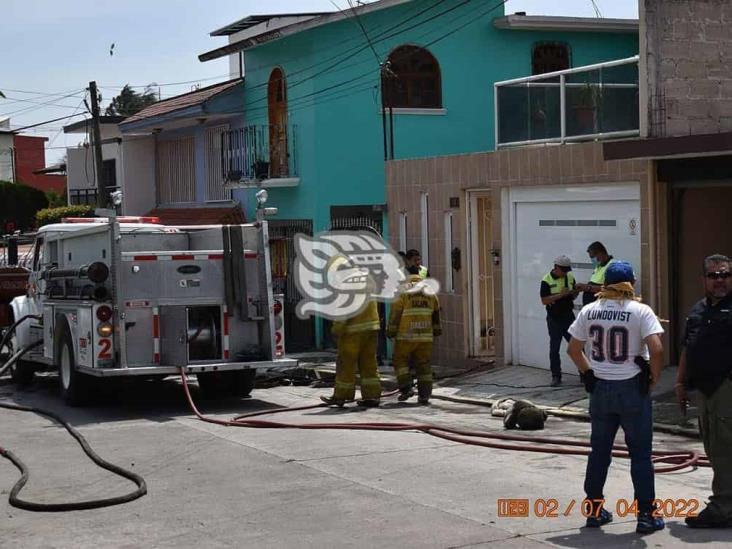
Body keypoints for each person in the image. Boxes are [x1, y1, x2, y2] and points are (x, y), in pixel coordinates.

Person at [566, 261, 665, 534]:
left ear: (606, 283)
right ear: (630, 283)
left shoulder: (589, 310)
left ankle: (594, 510)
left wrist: (588, 374)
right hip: (631, 388)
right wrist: (652, 379)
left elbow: (573, 349)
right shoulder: (640, 311)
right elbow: (656, 350)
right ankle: (646, 515)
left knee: (599, 452)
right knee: (641, 454)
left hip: (601, 389)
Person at [675, 253, 732, 528]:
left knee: (724, 449)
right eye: (714, 275)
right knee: (713, 446)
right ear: (704, 280)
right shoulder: (698, 310)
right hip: (704, 391)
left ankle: (723, 508)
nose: (720, 280)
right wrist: (680, 383)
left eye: (725, 275)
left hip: (726, 388)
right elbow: (688, 348)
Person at [387, 264, 441, 404]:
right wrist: (437, 329)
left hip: (406, 335)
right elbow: (436, 312)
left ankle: (406, 388)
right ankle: (424, 395)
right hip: (425, 335)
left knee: (400, 360)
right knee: (424, 364)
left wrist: (391, 330)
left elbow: (395, 314)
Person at [320, 299, 382, 408]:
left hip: (353, 330)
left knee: (346, 363)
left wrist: (336, 329)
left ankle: (341, 396)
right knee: (369, 363)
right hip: (372, 327)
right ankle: (371, 396)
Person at [540, 255, 579, 387]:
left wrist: (573, 292)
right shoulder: (546, 280)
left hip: (568, 316)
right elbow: (544, 300)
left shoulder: (570, 278)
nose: (565, 273)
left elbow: (574, 295)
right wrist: (561, 295)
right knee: (554, 348)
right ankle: (556, 376)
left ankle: (584, 373)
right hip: (554, 318)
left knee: (576, 345)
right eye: (563, 270)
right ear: (556, 267)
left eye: (567, 270)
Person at [578, 241, 616, 305]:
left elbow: (611, 289)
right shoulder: (599, 266)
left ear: (600, 253)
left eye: (593, 257)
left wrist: (588, 288)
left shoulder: (613, 266)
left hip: (602, 306)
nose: (592, 260)